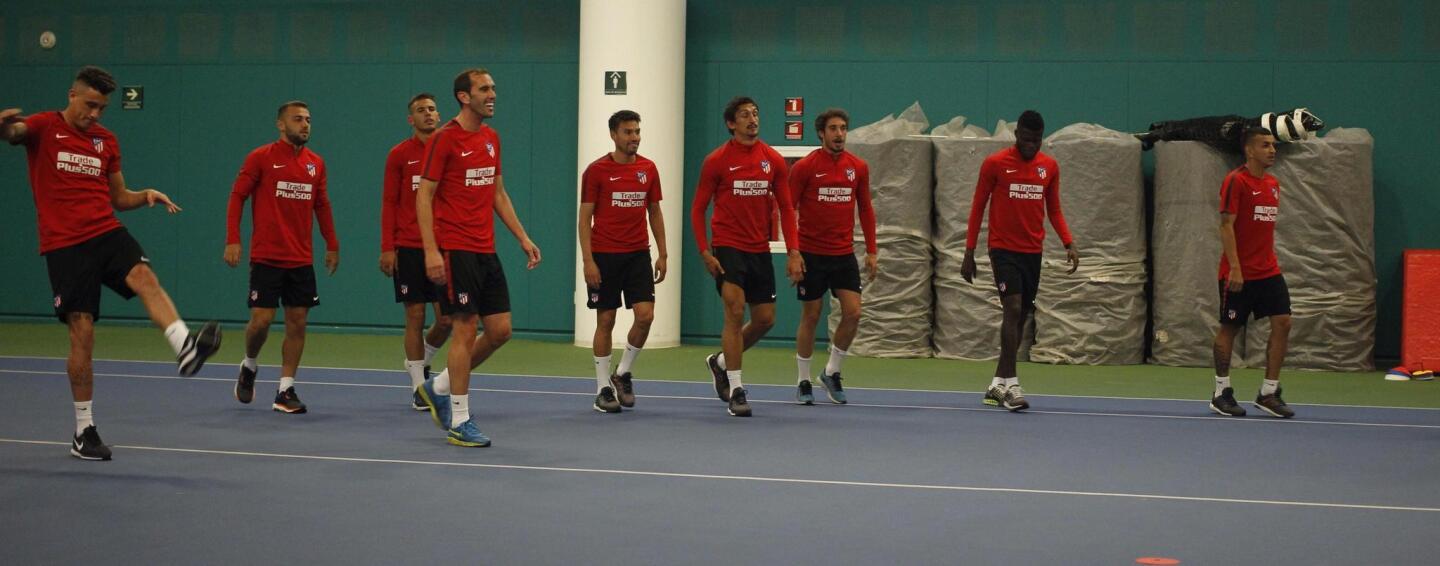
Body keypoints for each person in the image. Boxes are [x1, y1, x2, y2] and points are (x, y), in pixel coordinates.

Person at [0, 65, 221, 460]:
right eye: (90, 105)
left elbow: (119, 197)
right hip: (65, 245)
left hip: (106, 231)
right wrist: (3, 126)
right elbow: (14, 134)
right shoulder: (43, 127)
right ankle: (84, 431)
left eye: (102, 108)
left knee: (144, 277)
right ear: (72, 95)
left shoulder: (106, 140)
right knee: (82, 333)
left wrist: (146, 194)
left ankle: (184, 346)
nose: (96, 114)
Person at [415, 68, 542, 447]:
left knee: (501, 331)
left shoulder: (491, 138)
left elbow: (497, 193)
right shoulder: (444, 139)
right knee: (465, 329)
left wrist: (522, 236)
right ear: (463, 97)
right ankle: (459, 419)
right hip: (456, 249)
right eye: (484, 89)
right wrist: (431, 250)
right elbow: (424, 196)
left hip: (486, 249)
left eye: (494, 88)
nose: (492, 95)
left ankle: (437, 386)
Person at [225, 100, 339, 415]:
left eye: (308, 119)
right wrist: (233, 239)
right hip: (266, 257)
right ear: (281, 124)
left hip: (301, 259)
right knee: (261, 321)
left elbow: (322, 205)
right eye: (298, 119)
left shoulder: (316, 163)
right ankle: (249, 365)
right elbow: (238, 196)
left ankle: (285, 389)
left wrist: (332, 243)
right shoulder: (260, 158)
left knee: (297, 322)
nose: (305, 124)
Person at [961, 110, 1079, 412]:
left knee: (1022, 315)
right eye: (1026, 139)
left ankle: (996, 384)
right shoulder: (996, 164)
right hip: (1003, 251)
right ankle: (1012, 384)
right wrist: (969, 252)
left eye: (1037, 140)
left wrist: (1068, 241)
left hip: (1032, 252)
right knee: (1012, 308)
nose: (1031, 145)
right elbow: (977, 207)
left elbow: (1054, 209)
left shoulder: (1049, 167)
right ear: (1016, 135)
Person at [691, 96, 802, 417]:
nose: (752, 119)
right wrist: (704, 251)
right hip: (728, 247)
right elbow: (698, 209)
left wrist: (794, 252)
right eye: (744, 115)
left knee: (766, 319)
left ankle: (721, 362)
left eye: (755, 113)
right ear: (731, 123)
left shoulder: (773, 160)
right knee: (735, 311)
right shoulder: (716, 161)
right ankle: (737, 389)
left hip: (759, 250)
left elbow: (786, 208)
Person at [578, 110, 667, 413]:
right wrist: (588, 261)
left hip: (638, 255)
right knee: (606, 319)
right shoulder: (596, 171)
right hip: (604, 256)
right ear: (614, 135)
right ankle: (603, 388)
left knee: (645, 316)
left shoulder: (649, 169)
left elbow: (654, 211)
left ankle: (623, 373)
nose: (634, 138)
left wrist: (663, 253)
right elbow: (585, 218)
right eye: (628, 132)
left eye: (637, 131)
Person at [787, 108, 877, 405]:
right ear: (821, 133)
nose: (839, 134)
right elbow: (788, 210)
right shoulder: (805, 167)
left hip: (843, 254)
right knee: (811, 316)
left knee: (854, 312)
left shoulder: (857, 167)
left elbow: (865, 208)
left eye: (843, 128)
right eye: (833, 129)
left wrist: (872, 251)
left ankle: (831, 372)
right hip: (811, 255)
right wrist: (794, 253)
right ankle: (802, 381)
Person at [1209, 127, 1294, 419]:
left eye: (1273, 145)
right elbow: (1225, 225)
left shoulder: (1273, 184)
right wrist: (1235, 268)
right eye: (1265, 145)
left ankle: (1268, 393)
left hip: (1268, 270)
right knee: (1230, 328)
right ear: (1249, 150)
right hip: (1237, 273)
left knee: (1283, 322)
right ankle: (1221, 393)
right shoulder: (1236, 181)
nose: (1272, 150)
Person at [380, 93, 452, 410]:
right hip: (408, 247)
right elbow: (389, 203)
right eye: (421, 110)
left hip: (444, 246)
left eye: (432, 109)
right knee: (415, 314)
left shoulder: (449, 150)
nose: (428, 114)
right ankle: (418, 387)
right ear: (411, 119)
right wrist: (387, 248)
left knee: (447, 319)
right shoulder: (399, 155)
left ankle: (421, 361)